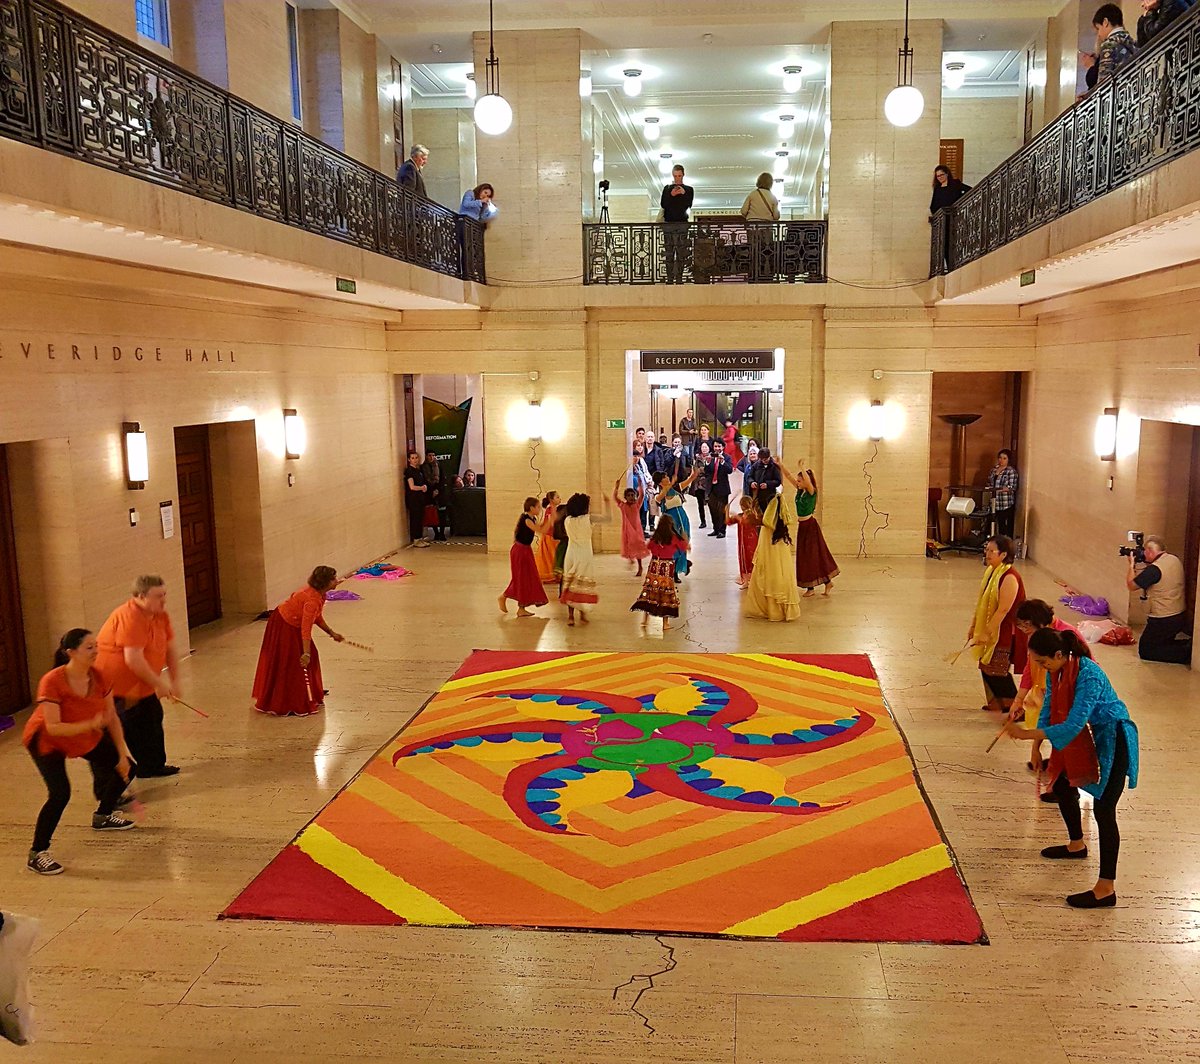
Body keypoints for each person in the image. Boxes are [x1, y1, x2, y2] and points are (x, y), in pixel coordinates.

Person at [1003, 627, 1139, 908]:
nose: (1042, 668)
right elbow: (1048, 710)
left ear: (1058, 654)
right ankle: (1076, 845)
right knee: (1063, 784)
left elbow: (1075, 723)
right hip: (1093, 735)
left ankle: (1106, 889)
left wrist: (1027, 734)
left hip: (1114, 737)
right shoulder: (1057, 670)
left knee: (1104, 810)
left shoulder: (1088, 674)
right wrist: (1035, 746)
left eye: (1043, 662)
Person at [24, 629, 137, 876]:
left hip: (81, 734)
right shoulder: (52, 681)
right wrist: (89, 724)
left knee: (128, 767)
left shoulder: (99, 676)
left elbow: (111, 718)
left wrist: (121, 755)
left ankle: (103, 815)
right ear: (70, 652)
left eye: (96, 646)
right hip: (47, 741)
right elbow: (53, 727)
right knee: (60, 793)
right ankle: (37, 853)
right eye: (89, 647)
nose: (96, 651)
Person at [95, 575, 181, 778]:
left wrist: (175, 681)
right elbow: (133, 659)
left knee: (152, 718)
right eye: (158, 596)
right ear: (141, 597)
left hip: (142, 684)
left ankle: (152, 766)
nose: (164, 600)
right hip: (119, 688)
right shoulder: (130, 617)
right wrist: (159, 683)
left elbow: (169, 648)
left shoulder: (160, 615)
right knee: (132, 724)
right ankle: (130, 770)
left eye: (164, 594)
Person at [1011, 599, 1086, 787]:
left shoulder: (1065, 639)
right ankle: (1058, 775)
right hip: (1052, 694)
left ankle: (1064, 778)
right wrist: (1019, 699)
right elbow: (1030, 668)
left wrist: (1027, 736)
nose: (1024, 630)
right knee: (1051, 725)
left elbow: (1072, 725)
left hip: (1075, 696)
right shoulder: (1050, 670)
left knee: (1067, 734)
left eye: (1027, 625)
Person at [252, 566, 345, 716]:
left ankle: (310, 691)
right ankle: (289, 700)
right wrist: (305, 653)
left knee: (310, 657)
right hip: (284, 624)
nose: (337, 581)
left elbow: (316, 616)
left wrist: (331, 632)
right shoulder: (311, 600)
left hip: (294, 623)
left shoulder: (320, 596)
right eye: (333, 579)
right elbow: (306, 628)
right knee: (291, 661)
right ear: (325, 582)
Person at [968, 535, 1027, 715]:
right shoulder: (992, 572)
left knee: (997, 669)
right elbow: (982, 604)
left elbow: (1003, 610)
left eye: (991, 551)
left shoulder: (1010, 577)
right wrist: (974, 627)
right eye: (986, 550)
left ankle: (1014, 708)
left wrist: (987, 632)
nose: (987, 554)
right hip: (991, 628)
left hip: (1005, 630)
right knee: (985, 665)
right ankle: (996, 703)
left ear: (1003, 555)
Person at [1127, 535, 1192, 664]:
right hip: (1179, 614)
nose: (1143, 555)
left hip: (1163, 618)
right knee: (1161, 643)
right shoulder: (1174, 559)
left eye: (1144, 552)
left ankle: (1187, 653)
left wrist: (1131, 565)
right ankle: (1189, 646)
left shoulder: (1154, 570)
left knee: (1146, 650)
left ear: (1150, 551)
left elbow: (1131, 585)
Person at [781, 461, 839, 596]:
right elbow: (788, 476)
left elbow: (808, 482)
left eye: (800, 480)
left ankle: (817, 586)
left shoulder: (812, 492)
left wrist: (802, 468)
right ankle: (821, 584)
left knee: (813, 556)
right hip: (803, 527)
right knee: (804, 557)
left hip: (810, 527)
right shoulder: (800, 491)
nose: (797, 482)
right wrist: (780, 465)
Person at [745, 490, 801, 622]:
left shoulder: (767, 525)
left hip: (768, 547)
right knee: (779, 572)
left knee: (769, 572)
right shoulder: (779, 525)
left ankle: (770, 609)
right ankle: (779, 609)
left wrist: (750, 515)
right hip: (777, 547)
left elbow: (758, 521)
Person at [631, 516, 689, 631]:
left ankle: (645, 620)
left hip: (654, 567)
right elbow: (684, 547)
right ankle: (665, 624)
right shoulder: (674, 538)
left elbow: (648, 547)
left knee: (650, 592)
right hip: (666, 569)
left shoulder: (655, 538)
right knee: (665, 594)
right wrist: (684, 537)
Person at [499, 498, 549, 618]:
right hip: (520, 551)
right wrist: (551, 520)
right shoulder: (526, 520)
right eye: (538, 507)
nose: (540, 509)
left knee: (527, 578)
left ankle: (521, 608)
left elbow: (541, 527)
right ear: (531, 508)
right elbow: (541, 530)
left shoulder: (532, 518)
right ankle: (504, 597)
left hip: (526, 550)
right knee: (521, 578)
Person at [559, 494, 599, 625]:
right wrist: (607, 502)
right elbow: (608, 518)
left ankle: (571, 616)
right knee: (582, 585)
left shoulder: (567, 520)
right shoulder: (588, 519)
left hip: (571, 553)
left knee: (570, 584)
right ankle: (582, 614)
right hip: (585, 555)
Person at [656, 464, 699, 582]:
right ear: (660, 482)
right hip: (670, 523)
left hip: (682, 519)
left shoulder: (676, 489)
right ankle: (673, 572)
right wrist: (670, 484)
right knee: (673, 546)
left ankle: (681, 565)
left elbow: (690, 479)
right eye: (665, 477)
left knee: (683, 543)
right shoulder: (659, 495)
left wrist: (694, 472)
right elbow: (660, 497)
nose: (667, 478)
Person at [740, 172, 781, 281]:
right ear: (770, 183)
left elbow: (743, 211)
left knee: (753, 250)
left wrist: (751, 215)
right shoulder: (773, 197)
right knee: (766, 250)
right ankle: (766, 273)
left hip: (752, 227)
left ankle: (753, 273)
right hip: (766, 227)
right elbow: (776, 216)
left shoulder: (752, 194)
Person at [660, 163, 694, 283]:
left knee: (681, 252)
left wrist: (683, 194)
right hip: (669, 223)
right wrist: (671, 195)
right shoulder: (667, 188)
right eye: (675, 176)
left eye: (679, 176)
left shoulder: (689, 190)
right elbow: (664, 204)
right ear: (672, 175)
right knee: (669, 252)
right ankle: (670, 278)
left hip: (682, 223)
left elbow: (689, 204)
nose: (677, 178)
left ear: (683, 175)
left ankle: (679, 277)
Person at [614, 470, 651, 576]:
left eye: (633, 495)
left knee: (638, 547)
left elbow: (642, 494)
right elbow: (615, 498)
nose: (631, 497)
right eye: (629, 495)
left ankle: (640, 567)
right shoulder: (623, 505)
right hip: (627, 530)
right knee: (628, 545)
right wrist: (616, 487)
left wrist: (640, 483)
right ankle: (631, 559)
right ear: (625, 497)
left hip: (636, 530)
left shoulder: (637, 505)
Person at [1093, 4, 1139, 84]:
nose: (1099, 34)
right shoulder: (1132, 43)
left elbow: (1104, 79)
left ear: (1105, 22)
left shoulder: (1109, 45)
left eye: (1098, 28)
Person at [727, 496, 761, 589]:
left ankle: (753, 580)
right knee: (744, 560)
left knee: (751, 559)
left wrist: (736, 516)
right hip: (742, 543)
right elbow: (728, 522)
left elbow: (744, 522)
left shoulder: (753, 516)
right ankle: (746, 581)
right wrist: (727, 511)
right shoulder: (741, 515)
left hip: (751, 542)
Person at [986, 448, 1019, 538]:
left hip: (1005, 503)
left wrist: (997, 490)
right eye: (1000, 458)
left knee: (1003, 526)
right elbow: (989, 483)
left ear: (1008, 460)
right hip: (994, 502)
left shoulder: (1011, 471)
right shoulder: (994, 470)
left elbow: (1012, 487)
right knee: (989, 523)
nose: (1001, 460)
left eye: (1004, 458)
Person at [706, 439, 734, 536]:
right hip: (712, 487)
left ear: (723, 447)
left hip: (722, 488)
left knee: (722, 510)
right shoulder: (711, 456)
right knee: (712, 509)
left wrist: (722, 462)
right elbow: (707, 472)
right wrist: (707, 463)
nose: (717, 448)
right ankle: (716, 529)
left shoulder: (727, 457)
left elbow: (730, 470)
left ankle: (722, 531)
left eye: (719, 446)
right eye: (715, 446)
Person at [404, 451, 429, 548]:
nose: (415, 460)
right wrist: (422, 488)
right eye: (412, 458)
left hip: (420, 498)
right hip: (413, 499)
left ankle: (420, 538)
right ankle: (416, 539)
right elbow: (412, 486)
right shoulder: (409, 471)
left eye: (416, 457)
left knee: (420, 518)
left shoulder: (418, 470)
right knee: (415, 519)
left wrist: (424, 487)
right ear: (409, 460)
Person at [535, 491, 561, 584]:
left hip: (553, 536)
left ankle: (555, 574)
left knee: (553, 556)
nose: (560, 499)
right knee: (551, 556)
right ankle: (551, 575)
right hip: (550, 536)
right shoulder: (550, 509)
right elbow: (552, 523)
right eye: (557, 497)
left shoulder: (553, 509)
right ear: (551, 500)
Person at [421, 451, 448, 542]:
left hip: (440, 493)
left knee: (442, 514)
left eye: (433, 455)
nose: (432, 457)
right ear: (426, 456)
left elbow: (443, 479)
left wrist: (437, 490)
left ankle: (442, 533)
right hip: (429, 494)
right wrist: (431, 491)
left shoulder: (439, 465)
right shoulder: (423, 467)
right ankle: (436, 532)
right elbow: (423, 481)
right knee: (432, 513)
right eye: (429, 455)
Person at [746, 448, 782, 512]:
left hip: (770, 495)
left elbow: (778, 481)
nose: (763, 461)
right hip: (758, 495)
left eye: (765, 459)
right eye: (761, 459)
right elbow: (749, 477)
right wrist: (751, 482)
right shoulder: (756, 465)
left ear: (769, 457)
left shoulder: (774, 466)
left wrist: (767, 484)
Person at [691, 441, 712, 530]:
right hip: (699, 484)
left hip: (708, 484)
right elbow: (696, 470)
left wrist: (703, 469)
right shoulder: (698, 458)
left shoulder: (712, 458)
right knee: (700, 504)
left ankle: (714, 521)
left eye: (706, 447)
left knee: (711, 504)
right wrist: (703, 470)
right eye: (703, 447)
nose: (704, 449)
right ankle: (702, 521)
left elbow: (710, 471)